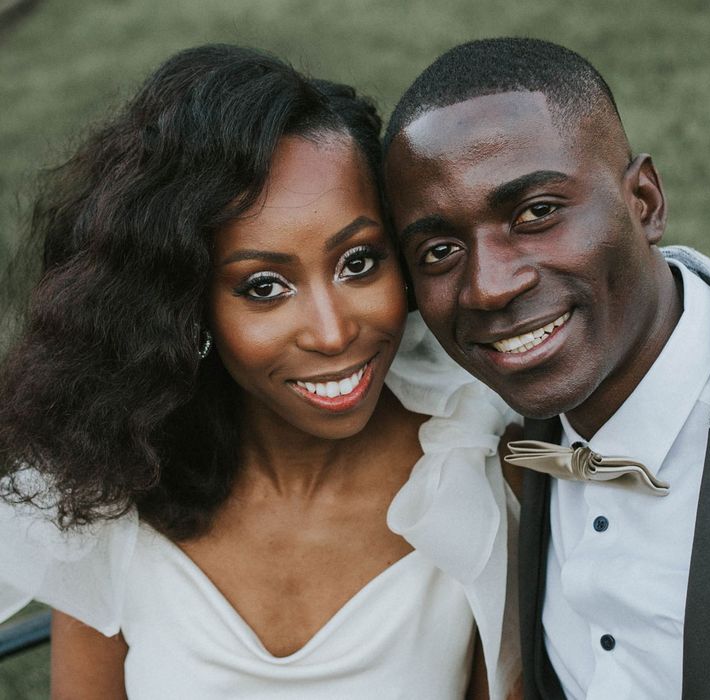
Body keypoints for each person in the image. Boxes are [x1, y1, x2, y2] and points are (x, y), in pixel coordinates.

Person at [0, 44, 521, 699]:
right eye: (264, 286)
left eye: (358, 263)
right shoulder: (110, 484)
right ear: (185, 304)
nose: (332, 332)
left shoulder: (475, 467)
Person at [383, 37, 710, 700]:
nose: (489, 288)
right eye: (440, 250)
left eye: (536, 213)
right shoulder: (501, 427)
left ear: (644, 201)